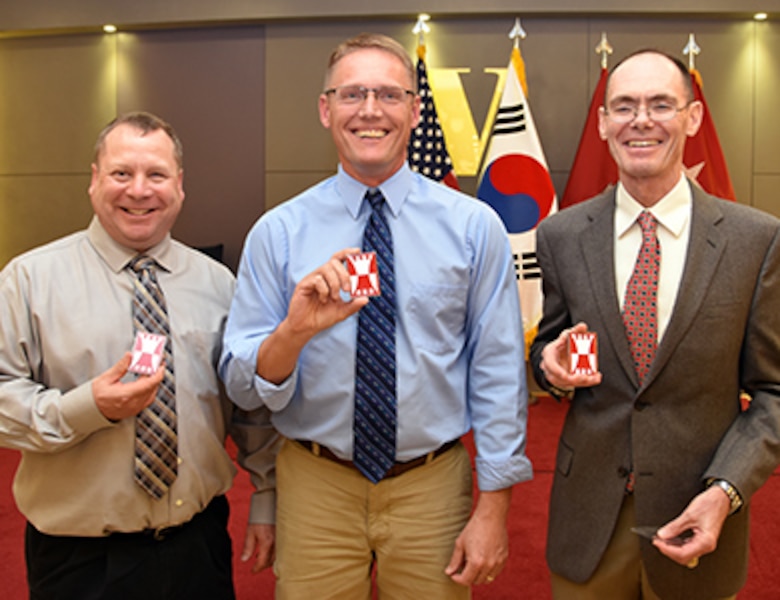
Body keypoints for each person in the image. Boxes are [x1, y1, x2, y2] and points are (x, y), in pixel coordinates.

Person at [220, 32, 533, 599]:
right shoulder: (279, 233)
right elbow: (243, 385)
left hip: (432, 484)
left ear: (414, 110)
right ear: (325, 109)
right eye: (352, 94)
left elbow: (499, 369)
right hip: (316, 483)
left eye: (389, 95)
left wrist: (494, 507)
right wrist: (293, 333)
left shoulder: (473, 226)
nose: (370, 110)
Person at [530, 49, 780, 600]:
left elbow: (773, 393)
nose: (640, 120)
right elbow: (549, 347)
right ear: (602, 124)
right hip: (587, 521)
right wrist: (548, 365)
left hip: (699, 514)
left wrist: (725, 492)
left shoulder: (755, 240)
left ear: (692, 118)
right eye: (624, 107)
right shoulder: (561, 237)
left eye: (660, 104)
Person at [0, 112, 280, 600]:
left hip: (198, 547)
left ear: (180, 185)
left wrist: (266, 497)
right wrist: (89, 407)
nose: (139, 190)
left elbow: (249, 405)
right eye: (121, 173)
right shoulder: (28, 281)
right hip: (78, 560)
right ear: (94, 180)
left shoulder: (219, 285)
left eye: (156, 174)